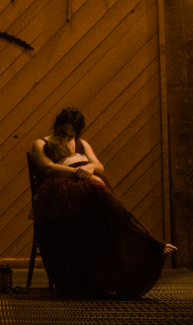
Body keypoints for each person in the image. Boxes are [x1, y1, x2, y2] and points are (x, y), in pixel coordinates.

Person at [31, 107, 176, 298]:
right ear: (55, 127)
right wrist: (80, 174)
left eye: (71, 135)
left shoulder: (82, 143)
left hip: (86, 195)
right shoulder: (41, 143)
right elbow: (48, 168)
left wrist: (90, 167)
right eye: (62, 133)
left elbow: (99, 165)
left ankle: (116, 272)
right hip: (59, 195)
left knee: (104, 215)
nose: (67, 139)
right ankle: (147, 243)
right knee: (97, 189)